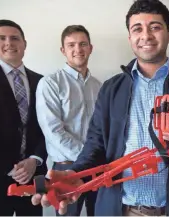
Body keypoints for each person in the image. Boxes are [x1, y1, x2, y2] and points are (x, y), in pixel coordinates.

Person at [32, 0, 169, 216]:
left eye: (155, 27)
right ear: (130, 37)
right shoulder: (111, 90)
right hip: (119, 209)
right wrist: (75, 175)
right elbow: (95, 148)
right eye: (137, 29)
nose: (146, 35)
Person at [0, 19, 47, 216]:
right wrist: (8, 168)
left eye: (15, 38)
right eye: (1, 38)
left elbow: (47, 127)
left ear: (24, 44)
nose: (9, 43)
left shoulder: (42, 81)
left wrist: (35, 160)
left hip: (31, 178)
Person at [35, 25, 101, 216]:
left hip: (97, 168)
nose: (78, 49)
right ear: (63, 50)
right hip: (66, 167)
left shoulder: (99, 86)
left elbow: (102, 128)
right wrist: (87, 156)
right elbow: (53, 131)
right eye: (71, 45)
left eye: (82, 44)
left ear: (90, 48)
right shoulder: (50, 83)